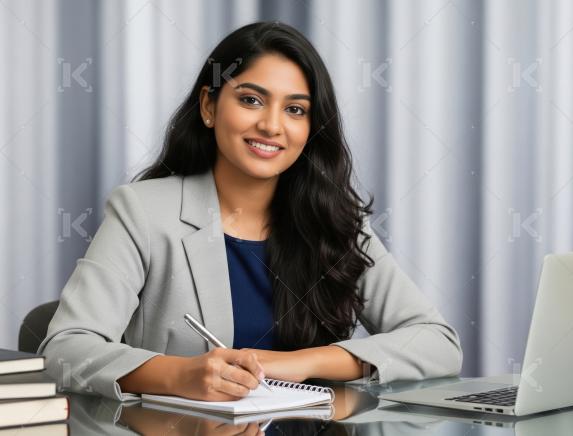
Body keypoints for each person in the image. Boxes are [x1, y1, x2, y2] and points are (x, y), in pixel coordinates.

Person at [39, 21, 462, 401]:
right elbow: (64, 349)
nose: (272, 126)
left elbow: (438, 343)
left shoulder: (337, 222)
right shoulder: (143, 212)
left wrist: (304, 363)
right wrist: (179, 374)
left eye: (295, 109)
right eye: (251, 100)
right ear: (209, 106)